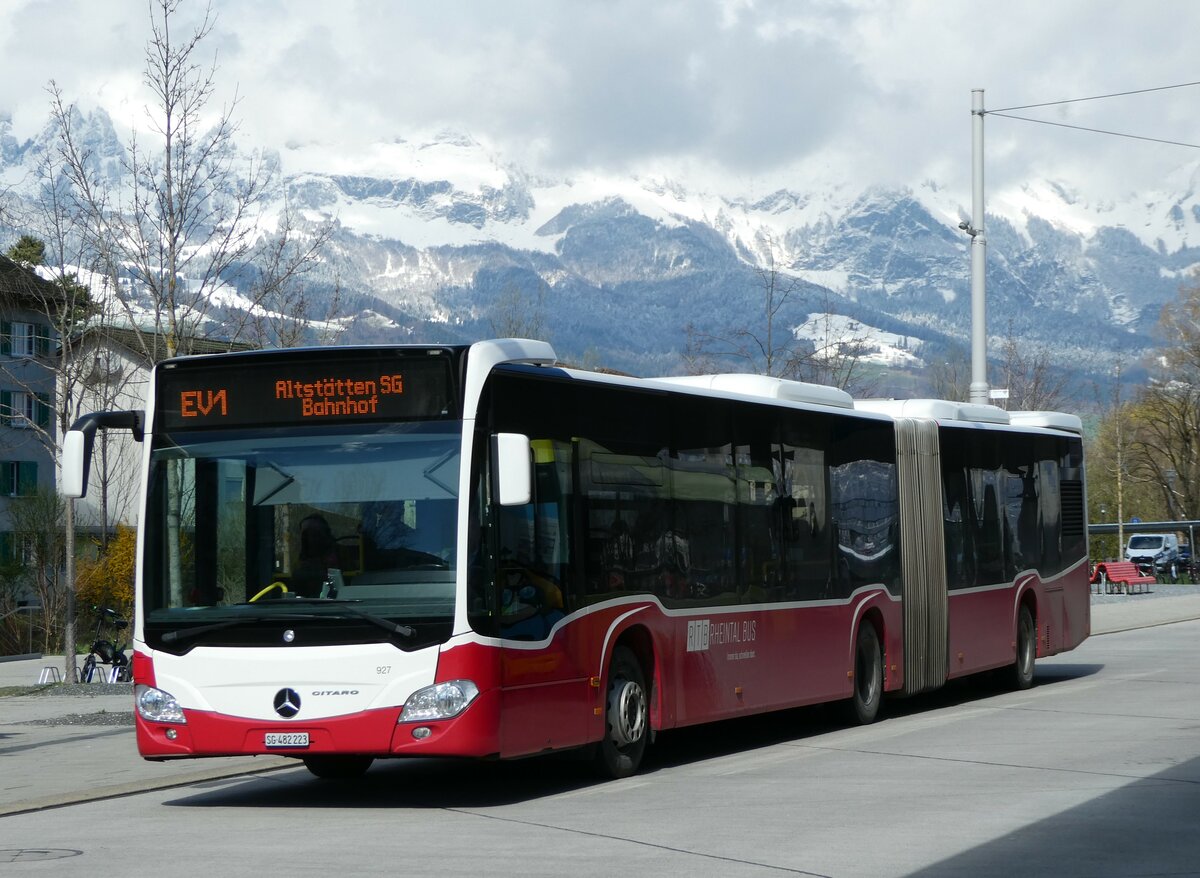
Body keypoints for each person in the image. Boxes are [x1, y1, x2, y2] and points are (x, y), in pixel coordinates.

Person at [294, 513, 340, 597]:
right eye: (305, 534)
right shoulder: (299, 560)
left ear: (325, 534)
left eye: (315, 534)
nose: (310, 538)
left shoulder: (339, 553)